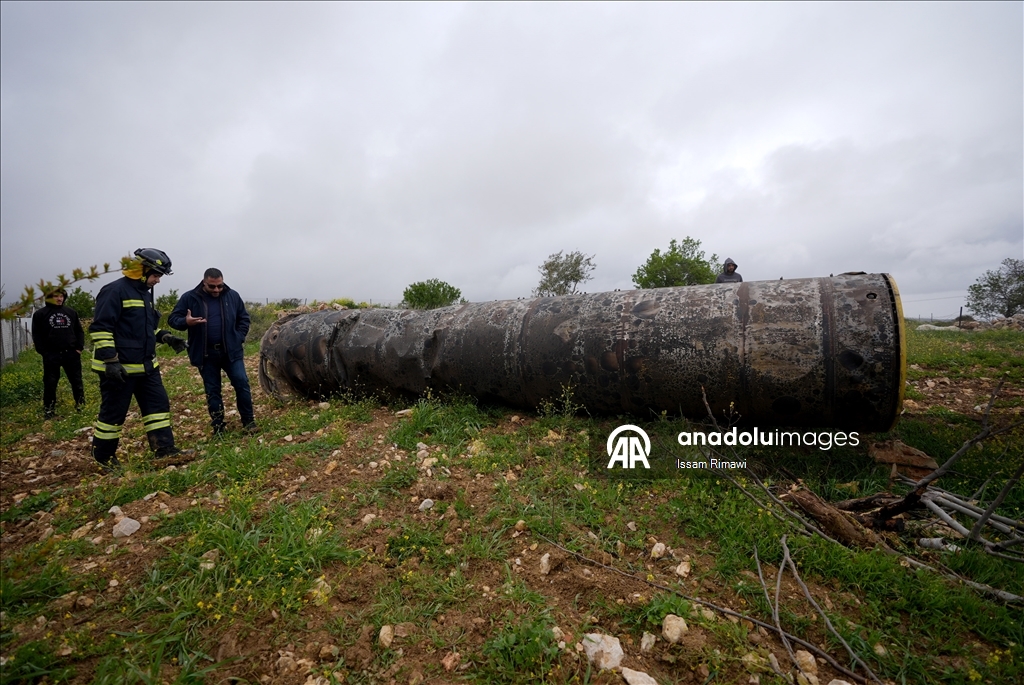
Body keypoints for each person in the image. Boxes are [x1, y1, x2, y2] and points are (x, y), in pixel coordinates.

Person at [89, 248, 189, 472]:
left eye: (160, 275)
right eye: (156, 274)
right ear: (141, 270)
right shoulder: (114, 291)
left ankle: (163, 449)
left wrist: (166, 337)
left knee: (158, 407)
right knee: (113, 414)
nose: (158, 280)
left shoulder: (144, 293)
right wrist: (111, 361)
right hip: (120, 369)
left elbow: (144, 330)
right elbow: (100, 329)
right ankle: (103, 458)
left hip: (147, 366)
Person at [168, 268, 256, 436]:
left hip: (231, 352)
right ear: (204, 283)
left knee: (242, 384)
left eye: (220, 286)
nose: (216, 290)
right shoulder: (190, 297)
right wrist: (185, 322)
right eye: (212, 286)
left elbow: (243, 318)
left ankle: (249, 421)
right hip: (206, 354)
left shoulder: (233, 296)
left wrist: (238, 337)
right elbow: (173, 319)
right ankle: (218, 427)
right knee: (213, 391)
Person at [31, 288, 85, 418]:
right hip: (52, 355)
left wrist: (79, 348)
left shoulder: (71, 312)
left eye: (61, 296)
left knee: (77, 381)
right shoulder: (40, 314)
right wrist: (44, 352)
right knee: (50, 383)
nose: (59, 299)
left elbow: (79, 331)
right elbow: (36, 335)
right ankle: (49, 411)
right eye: (56, 296)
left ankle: (81, 407)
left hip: (71, 353)